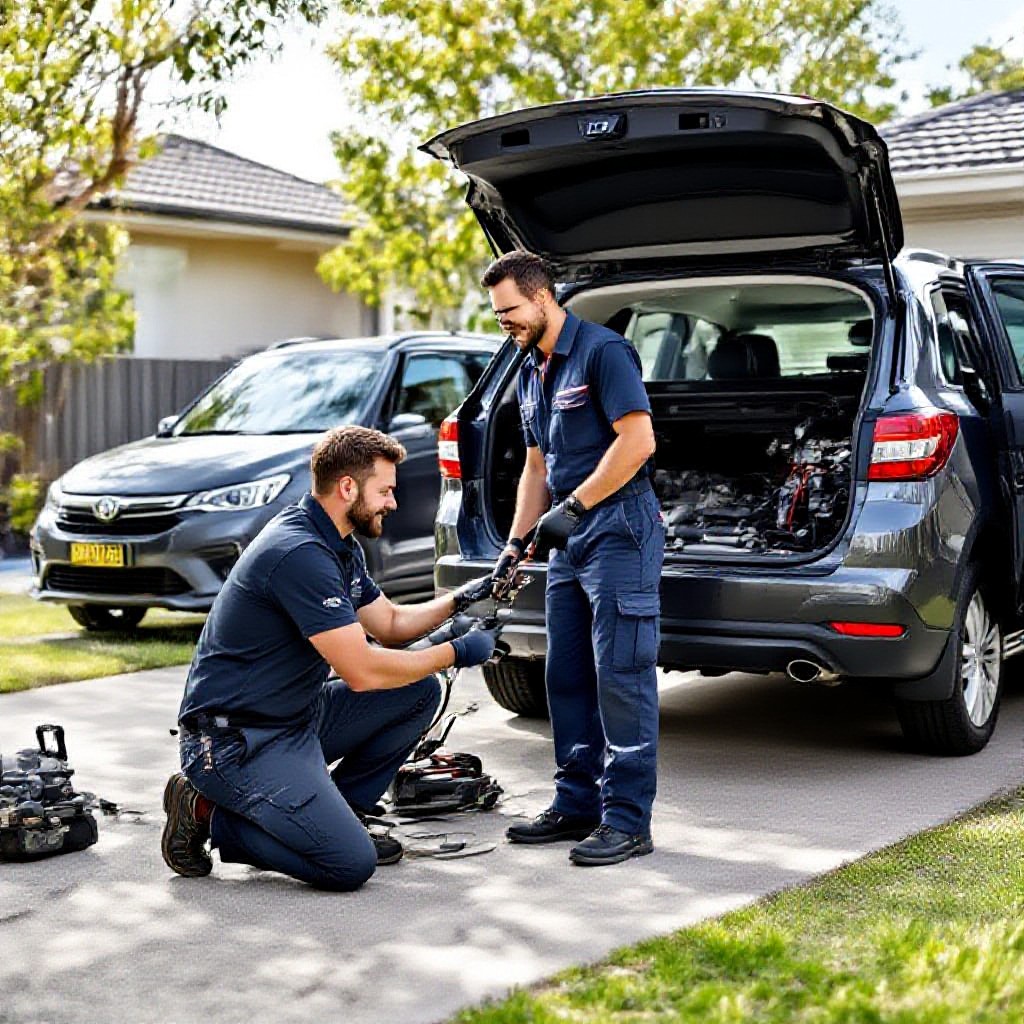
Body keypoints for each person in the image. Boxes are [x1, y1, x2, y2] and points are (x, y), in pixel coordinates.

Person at [160, 426, 496, 890]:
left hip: (294, 718)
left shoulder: (339, 545)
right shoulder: (299, 553)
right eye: (385, 491)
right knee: (349, 865)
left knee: (418, 693)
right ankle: (204, 811)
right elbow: (361, 671)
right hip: (234, 743)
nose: (392, 503)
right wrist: (453, 652)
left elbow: (391, 624)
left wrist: (461, 600)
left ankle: (338, 815)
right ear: (347, 488)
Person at [484, 250, 664, 867]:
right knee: (565, 675)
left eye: (508, 310)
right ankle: (576, 802)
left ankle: (628, 821)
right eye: (497, 313)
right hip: (569, 536)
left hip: (619, 528)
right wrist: (516, 541)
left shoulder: (602, 353)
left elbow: (638, 440)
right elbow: (536, 466)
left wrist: (579, 507)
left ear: (541, 297)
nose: (502, 322)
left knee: (622, 674)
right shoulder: (529, 367)